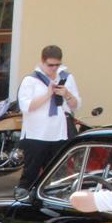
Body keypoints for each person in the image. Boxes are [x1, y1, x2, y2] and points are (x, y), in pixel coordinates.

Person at [16, 44, 81, 197]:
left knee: (57, 174)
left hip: (59, 133)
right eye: (50, 65)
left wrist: (67, 94)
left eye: (57, 65)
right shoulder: (30, 80)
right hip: (36, 134)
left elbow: (76, 106)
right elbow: (26, 107)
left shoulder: (66, 77)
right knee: (30, 173)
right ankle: (23, 199)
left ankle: (52, 198)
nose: (53, 68)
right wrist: (47, 94)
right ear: (42, 61)